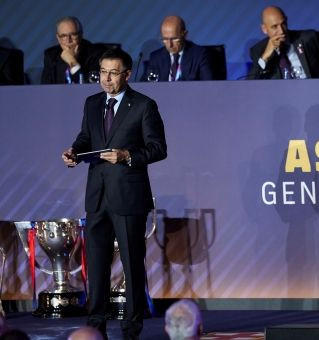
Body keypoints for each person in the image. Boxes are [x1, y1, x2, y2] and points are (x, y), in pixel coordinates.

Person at [61, 48, 167, 339]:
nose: (106, 79)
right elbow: (86, 138)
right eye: (102, 73)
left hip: (128, 197)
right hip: (97, 196)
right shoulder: (92, 103)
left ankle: (131, 327)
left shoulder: (144, 105)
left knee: (132, 263)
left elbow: (158, 148)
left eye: (113, 73)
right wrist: (74, 152)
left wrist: (127, 155)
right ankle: (95, 326)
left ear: (127, 74)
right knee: (95, 265)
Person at [248, 6, 319, 79]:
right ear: (264, 29)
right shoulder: (258, 51)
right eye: (274, 26)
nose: (281, 31)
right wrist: (265, 57)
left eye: (283, 24)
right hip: (282, 101)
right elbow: (250, 86)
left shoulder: (308, 38)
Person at [143, 16, 213, 81]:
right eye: (165, 39)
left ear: (185, 35)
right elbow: (145, 85)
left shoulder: (200, 55)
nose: (170, 45)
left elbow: (208, 85)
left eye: (174, 39)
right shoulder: (156, 57)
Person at [41, 16, 104, 84]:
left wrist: (72, 61)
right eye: (63, 36)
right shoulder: (51, 55)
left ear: (81, 35)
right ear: (58, 38)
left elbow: (90, 85)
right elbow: (44, 87)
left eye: (73, 35)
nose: (69, 40)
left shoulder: (96, 54)